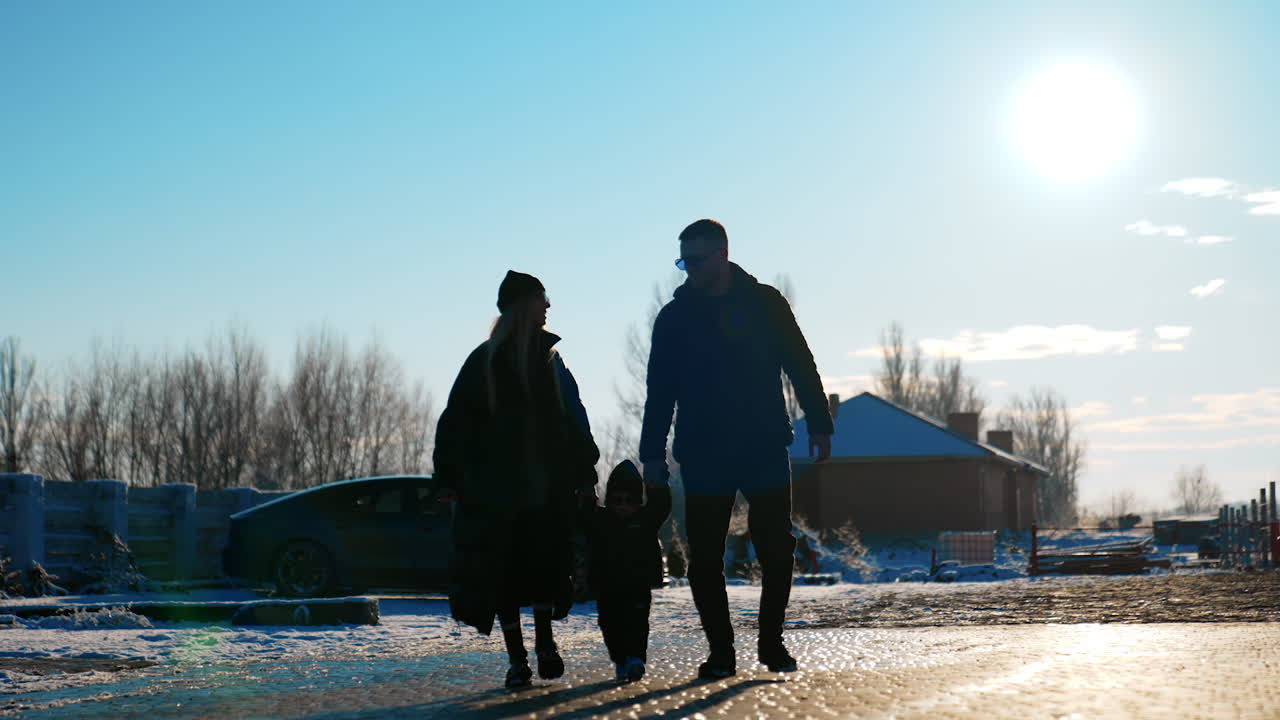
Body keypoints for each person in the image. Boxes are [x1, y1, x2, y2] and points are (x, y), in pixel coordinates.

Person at [639, 219, 833, 679]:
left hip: (762, 443)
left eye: (696, 260)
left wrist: (819, 421)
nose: (688, 269)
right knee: (705, 556)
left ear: (722, 255)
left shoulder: (765, 303)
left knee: (776, 549)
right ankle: (721, 653)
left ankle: (771, 643)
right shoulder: (674, 317)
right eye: (683, 261)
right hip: (703, 450)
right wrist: (651, 454)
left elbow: (799, 361)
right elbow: (659, 390)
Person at [433, 270, 600, 688]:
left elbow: (574, 420)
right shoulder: (486, 362)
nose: (549, 306)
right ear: (524, 305)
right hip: (495, 492)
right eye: (542, 298)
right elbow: (455, 425)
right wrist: (448, 479)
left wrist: (585, 473)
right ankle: (518, 658)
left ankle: (543, 645)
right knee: (505, 573)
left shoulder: (548, 361)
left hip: (541, 489)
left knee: (541, 566)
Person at [584, 459, 672, 682]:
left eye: (629, 500)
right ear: (608, 501)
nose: (623, 505)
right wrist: (585, 488)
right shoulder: (600, 520)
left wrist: (657, 484)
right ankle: (620, 659)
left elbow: (662, 505)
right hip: (607, 585)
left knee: (638, 622)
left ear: (638, 501)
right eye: (617, 500)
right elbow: (582, 513)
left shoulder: (646, 519)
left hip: (638, 583)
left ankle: (635, 657)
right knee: (609, 624)